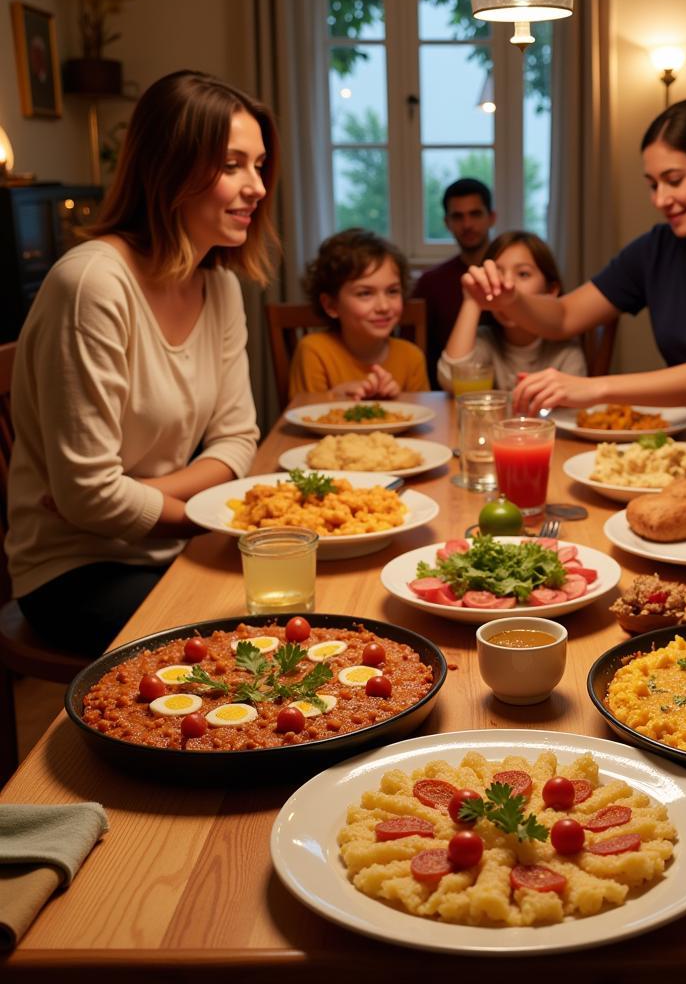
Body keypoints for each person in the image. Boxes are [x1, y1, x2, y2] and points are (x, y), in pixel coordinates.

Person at [5, 70, 275, 654]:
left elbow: (236, 438)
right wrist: (208, 518)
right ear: (170, 168)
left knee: (303, 609)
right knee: (258, 648)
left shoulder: (221, 287)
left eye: (258, 164)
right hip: (75, 568)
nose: (256, 186)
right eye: (231, 165)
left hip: (169, 547)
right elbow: (87, 501)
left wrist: (138, 493)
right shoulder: (91, 284)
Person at [461, 99, 686, 452]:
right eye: (652, 184)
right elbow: (566, 316)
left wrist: (597, 388)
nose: (660, 199)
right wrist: (513, 300)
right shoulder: (657, 249)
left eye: (674, 181)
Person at [288, 228, 430, 400]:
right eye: (365, 293)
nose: (384, 306)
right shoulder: (314, 351)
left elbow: (424, 418)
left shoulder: (411, 357)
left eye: (392, 291)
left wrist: (399, 400)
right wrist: (333, 398)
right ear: (331, 305)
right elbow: (303, 416)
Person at [436, 230, 586, 392]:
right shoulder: (485, 342)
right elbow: (450, 380)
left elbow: (573, 408)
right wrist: (473, 299)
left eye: (523, 274)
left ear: (551, 290)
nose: (506, 285)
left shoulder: (565, 351)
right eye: (497, 274)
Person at [413, 178, 497, 387]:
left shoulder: (513, 278)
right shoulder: (430, 283)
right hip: (450, 390)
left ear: (491, 217)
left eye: (475, 214)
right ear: (446, 223)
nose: (467, 225)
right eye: (458, 216)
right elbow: (417, 351)